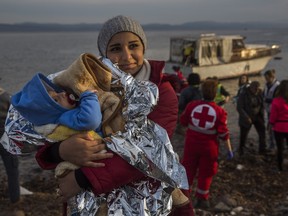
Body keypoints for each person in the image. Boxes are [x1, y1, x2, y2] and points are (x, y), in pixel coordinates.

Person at [2, 15, 194, 215]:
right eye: (116, 48)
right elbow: (55, 127)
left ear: (143, 48)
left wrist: (80, 179)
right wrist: (60, 151)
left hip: (147, 199)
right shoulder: (87, 86)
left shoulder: (162, 91)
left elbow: (150, 152)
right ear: (104, 52)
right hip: (93, 201)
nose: (127, 56)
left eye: (134, 45)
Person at [179, 79, 233, 210]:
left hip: (191, 145)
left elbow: (183, 121)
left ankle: (184, 198)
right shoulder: (219, 111)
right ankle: (202, 199)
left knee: (188, 170)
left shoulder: (192, 106)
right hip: (209, 148)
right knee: (206, 172)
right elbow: (223, 134)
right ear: (215, 94)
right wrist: (229, 150)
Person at [0, 87, 25, 216]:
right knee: (12, 171)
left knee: (12, 170)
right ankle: (15, 201)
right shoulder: (8, 97)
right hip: (6, 139)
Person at [237, 81, 267, 155]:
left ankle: (262, 149)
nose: (256, 91)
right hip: (247, 116)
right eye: (255, 89)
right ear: (251, 88)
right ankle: (241, 150)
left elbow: (262, 104)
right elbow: (239, 108)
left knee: (262, 132)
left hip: (258, 115)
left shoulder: (259, 93)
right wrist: (246, 117)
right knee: (243, 135)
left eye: (258, 89)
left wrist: (262, 114)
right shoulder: (243, 94)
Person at [269, 80, 288, 171]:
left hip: (279, 127)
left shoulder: (276, 101)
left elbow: (273, 116)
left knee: (280, 148)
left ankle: (280, 168)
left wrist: (271, 124)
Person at [263, 69, 280, 150]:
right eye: (265, 78)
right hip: (268, 110)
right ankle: (271, 144)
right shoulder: (266, 85)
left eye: (267, 78)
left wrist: (267, 100)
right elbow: (264, 94)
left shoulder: (277, 86)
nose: (266, 79)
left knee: (274, 128)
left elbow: (278, 99)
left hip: (275, 111)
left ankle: (276, 145)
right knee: (269, 128)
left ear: (272, 77)